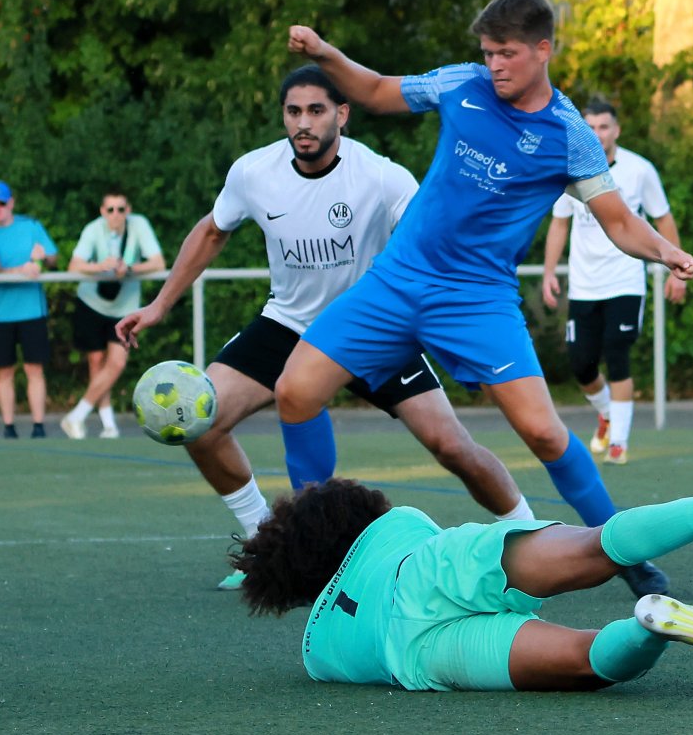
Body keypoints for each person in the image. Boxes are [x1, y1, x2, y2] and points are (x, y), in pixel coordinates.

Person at [280, 0, 693, 598]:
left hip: (477, 300)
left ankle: (625, 552)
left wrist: (666, 251)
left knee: (545, 433)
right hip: (397, 281)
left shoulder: (569, 133)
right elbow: (374, 90)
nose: (494, 65)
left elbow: (617, 220)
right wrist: (325, 52)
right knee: (294, 392)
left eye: (506, 53)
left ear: (542, 50)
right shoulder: (462, 83)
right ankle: (313, 552)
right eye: (488, 52)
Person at [117, 65, 537, 590]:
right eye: (293, 111)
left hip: (371, 326)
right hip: (287, 324)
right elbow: (211, 232)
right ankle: (267, 545)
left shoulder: (381, 176)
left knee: (452, 446)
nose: (303, 123)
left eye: (316, 110)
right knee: (200, 420)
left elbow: (434, 243)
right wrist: (159, 305)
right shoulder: (254, 172)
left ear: (342, 113)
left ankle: (530, 532)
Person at [231, 467, 693, 692]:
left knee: (585, 661)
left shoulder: (320, 654)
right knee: (596, 547)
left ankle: (651, 625)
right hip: (436, 566)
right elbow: (401, 527)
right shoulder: (396, 527)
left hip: (416, 653)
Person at [542, 100, 685, 465]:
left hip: (625, 279)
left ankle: (618, 442)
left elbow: (663, 218)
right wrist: (549, 271)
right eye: (589, 127)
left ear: (616, 130)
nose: (597, 134)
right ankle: (606, 414)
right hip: (584, 284)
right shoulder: (569, 169)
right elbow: (559, 222)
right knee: (581, 365)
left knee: (617, 353)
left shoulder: (640, 170)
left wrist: (675, 267)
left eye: (603, 126)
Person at [61, 191, 165, 439]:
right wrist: (101, 267)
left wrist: (129, 268)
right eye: (110, 209)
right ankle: (109, 425)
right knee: (96, 362)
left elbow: (158, 263)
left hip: (124, 308)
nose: (115, 215)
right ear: (102, 211)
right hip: (92, 303)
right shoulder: (93, 229)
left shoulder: (139, 225)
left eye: (120, 209)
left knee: (117, 363)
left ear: (128, 210)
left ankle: (77, 416)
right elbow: (74, 265)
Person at [0, 180, 59, 439]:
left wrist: (43, 257)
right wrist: (18, 271)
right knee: (4, 371)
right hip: (0, 314)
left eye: (2, 203)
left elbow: (53, 258)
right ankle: (8, 427)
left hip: (32, 311)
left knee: (34, 369)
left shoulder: (31, 226)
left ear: (11, 203)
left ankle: (38, 426)